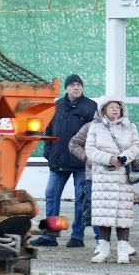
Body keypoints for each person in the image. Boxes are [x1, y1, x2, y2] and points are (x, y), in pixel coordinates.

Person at [37, 73, 98, 248]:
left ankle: (77, 237)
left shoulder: (91, 107)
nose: (76, 87)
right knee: (51, 195)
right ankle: (49, 236)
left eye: (79, 84)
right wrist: (48, 153)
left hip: (81, 163)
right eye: (72, 85)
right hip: (58, 161)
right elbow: (47, 132)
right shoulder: (57, 106)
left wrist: (90, 157)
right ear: (66, 88)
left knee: (81, 200)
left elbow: (95, 136)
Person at [84, 98, 139, 264]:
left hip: (123, 177)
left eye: (118, 107)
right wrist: (109, 158)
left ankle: (123, 252)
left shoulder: (130, 127)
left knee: (123, 216)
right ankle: (104, 251)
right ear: (104, 110)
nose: (115, 110)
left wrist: (123, 158)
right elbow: (90, 149)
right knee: (104, 216)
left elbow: (137, 147)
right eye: (111, 107)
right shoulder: (95, 127)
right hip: (103, 177)